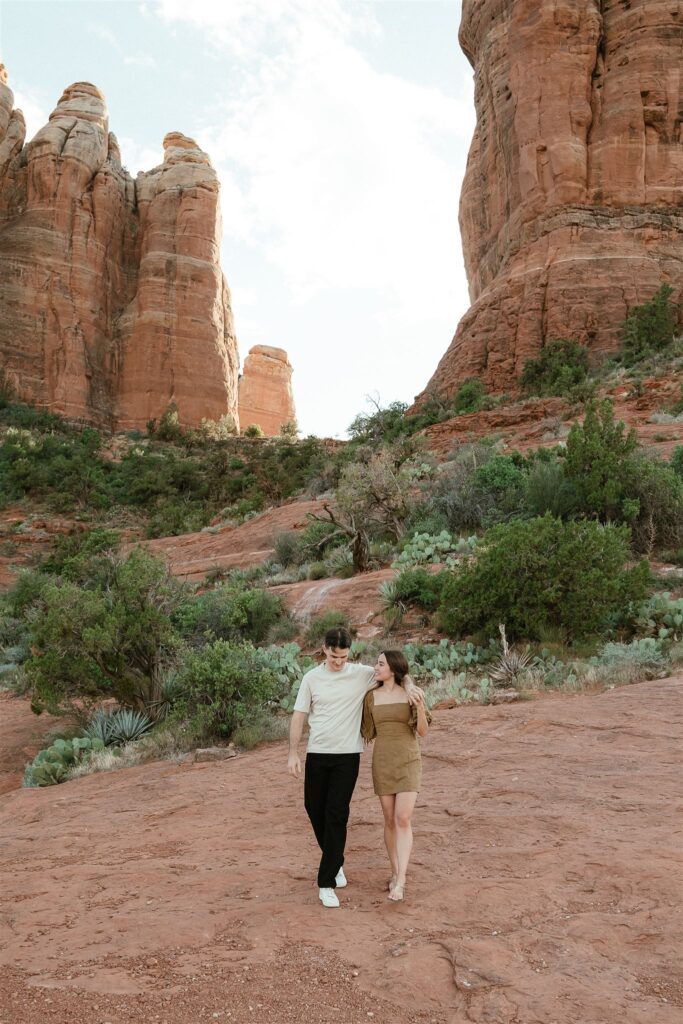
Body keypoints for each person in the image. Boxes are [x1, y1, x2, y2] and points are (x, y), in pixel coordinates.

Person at [288, 627, 423, 909]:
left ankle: (326, 883)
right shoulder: (311, 678)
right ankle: (334, 860)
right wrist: (293, 752)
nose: (339, 662)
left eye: (344, 657)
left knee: (336, 814)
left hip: (348, 756)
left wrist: (409, 685)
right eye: (335, 656)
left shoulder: (361, 673)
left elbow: (398, 671)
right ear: (324, 649)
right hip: (317, 753)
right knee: (314, 810)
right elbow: (299, 715)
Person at [361, 649, 430, 902]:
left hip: (408, 760)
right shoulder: (371, 697)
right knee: (389, 819)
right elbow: (365, 729)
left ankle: (401, 880)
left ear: (393, 668)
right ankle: (394, 870)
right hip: (383, 761)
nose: (375, 667)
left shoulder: (411, 694)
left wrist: (420, 706)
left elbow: (422, 731)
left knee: (403, 817)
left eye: (380, 664)